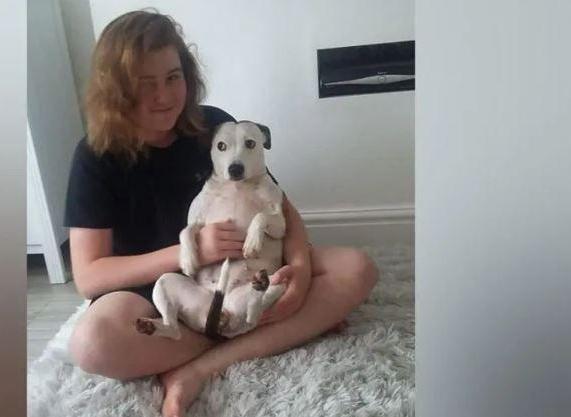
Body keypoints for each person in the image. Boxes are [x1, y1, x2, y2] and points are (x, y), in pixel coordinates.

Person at [64, 10, 379, 417]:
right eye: (146, 85)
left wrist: (299, 272)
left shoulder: (215, 128)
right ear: (117, 90)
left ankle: (197, 368)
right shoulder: (94, 157)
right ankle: (270, 328)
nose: (164, 96)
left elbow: (279, 204)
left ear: (187, 74)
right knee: (92, 343)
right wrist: (189, 251)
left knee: (358, 269)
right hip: (159, 293)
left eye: (173, 78)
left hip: (250, 270)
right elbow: (90, 276)